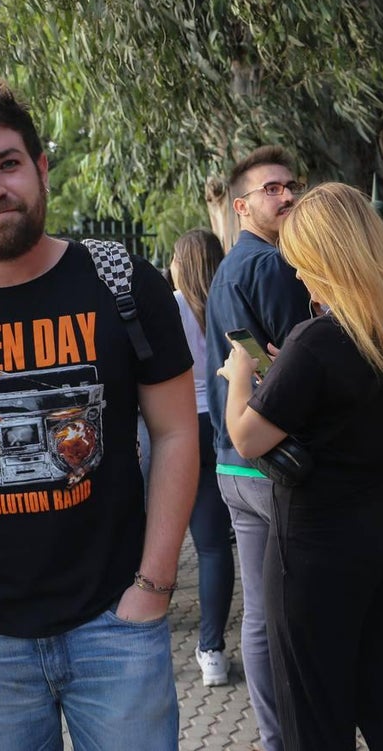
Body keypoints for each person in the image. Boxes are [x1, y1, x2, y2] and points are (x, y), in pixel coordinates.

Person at [0, 72, 198, 751]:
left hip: (116, 624)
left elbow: (177, 432)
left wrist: (154, 585)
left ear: (41, 168)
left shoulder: (121, 283)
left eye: (8, 163)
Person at [219, 182, 383, 750]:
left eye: (301, 263)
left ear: (325, 260)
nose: (296, 276)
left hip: (322, 553)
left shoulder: (317, 339)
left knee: (314, 717)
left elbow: (246, 437)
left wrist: (241, 375)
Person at [204, 145, 313, 751]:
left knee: (261, 617)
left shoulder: (227, 269)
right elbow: (300, 366)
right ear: (242, 205)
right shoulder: (271, 268)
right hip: (273, 462)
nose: (288, 195)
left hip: (233, 463)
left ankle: (278, 739)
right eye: (272, 188)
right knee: (294, 610)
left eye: (291, 184)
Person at [169, 228, 235, 687]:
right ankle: (211, 649)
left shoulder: (168, 305)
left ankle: (139, 631)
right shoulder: (229, 297)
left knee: (163, 537)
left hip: (178, 429)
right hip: (226, 421)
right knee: (214, 547)